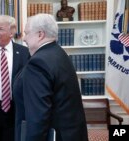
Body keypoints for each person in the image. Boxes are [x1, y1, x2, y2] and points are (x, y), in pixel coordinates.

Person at [13, 13, 88, 141]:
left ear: (40, 34)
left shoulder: (38, 63)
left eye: (27, 33)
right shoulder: (59, 53)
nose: (24, 39)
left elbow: (37, 117)